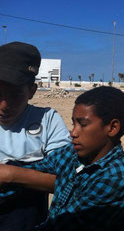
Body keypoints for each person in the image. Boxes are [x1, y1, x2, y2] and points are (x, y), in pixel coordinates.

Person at [0, 86, 124, 231]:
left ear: (112, 128)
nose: (73, 133)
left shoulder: (117, 176)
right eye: (74, 124)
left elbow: (65, 224)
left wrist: (10, 175)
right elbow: (38, 167)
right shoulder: (72, 153)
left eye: (82, 125)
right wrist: (9, 174)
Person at [0, 42, 71, 231]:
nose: (4, 105)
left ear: (31, 91)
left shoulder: (47, 120)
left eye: (14, 95)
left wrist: (11, 175)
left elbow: (68, 181)